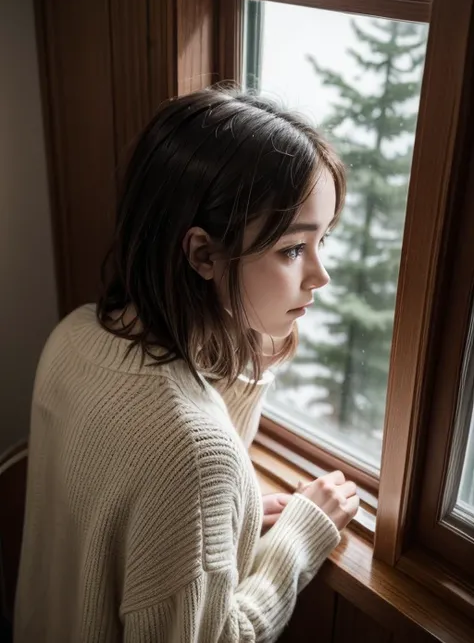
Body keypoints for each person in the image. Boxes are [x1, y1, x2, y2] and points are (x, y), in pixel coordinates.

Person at [14, 88, 359, 642]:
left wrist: (231, 516)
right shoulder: (195, 453)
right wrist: (299, 537)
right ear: (202, 255)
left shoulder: (75, 335)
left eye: (324, 240)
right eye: (293, 249)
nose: (321, 275)